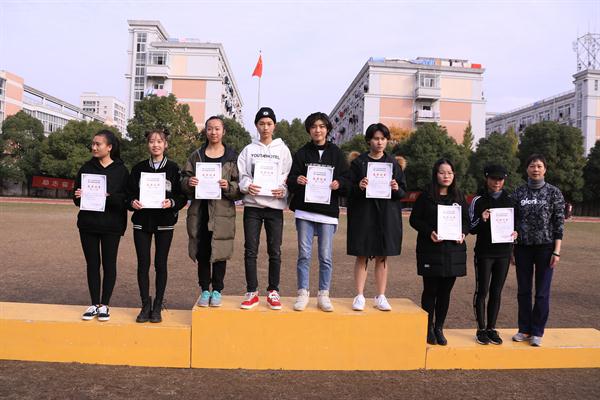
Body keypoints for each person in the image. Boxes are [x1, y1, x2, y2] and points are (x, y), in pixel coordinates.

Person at [286, 112, 350, 312]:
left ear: (327, 129)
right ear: (309, 130)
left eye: (322, 126)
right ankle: (302, 293)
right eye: (314, 126)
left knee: (325, 256)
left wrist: (339, 183)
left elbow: (347, 180)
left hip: (327, 213)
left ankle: (324, 294)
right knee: (304, 255)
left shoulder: (337, 153)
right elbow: (290, 179)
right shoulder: (302, 153)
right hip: (305, 212)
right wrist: (297, 180)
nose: (318, 130)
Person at [127, 128, 187, 323]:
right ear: (148, 144)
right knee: (143, 264)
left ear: (165, 144)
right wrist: (132, 202)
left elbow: (182, 196)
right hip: (142, 222)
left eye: (159, 141)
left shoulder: (173, 168)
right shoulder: (138, 168)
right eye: (152, 141)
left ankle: (158, 305)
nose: (155, 145)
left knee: (161, 264)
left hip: (164, 222)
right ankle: (145, 305)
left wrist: (172, 203)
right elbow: (128, 194)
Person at [181, 116, 241, 308]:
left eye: (217, 128)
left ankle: (217, 290)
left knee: (220, 251)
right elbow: (184, 179)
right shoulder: (196, 156)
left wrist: (228, 186)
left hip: (222, 213)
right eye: (209, 128)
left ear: (223, 131)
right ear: (205, 131)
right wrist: (189, 183)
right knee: (203, 252)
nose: (213, 132)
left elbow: (240, 186)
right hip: (200, 212)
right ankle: (204, 289)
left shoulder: (232, 157)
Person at [347, 123, 406, 312]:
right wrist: (359, 187)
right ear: (369, 141)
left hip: (386, 216)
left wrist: (396, 188)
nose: (379, 142)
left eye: (383, 138)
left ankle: (381, 296)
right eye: (376, 138)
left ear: (387, 141)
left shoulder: (393, 164)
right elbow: (348, 189)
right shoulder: (358, 163)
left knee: (382, 255)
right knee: (362, 254)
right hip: (364, 215)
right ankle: (359, 295)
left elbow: (403, 192)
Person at [237, 107, 292, 310]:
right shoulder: (248, 150)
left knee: (274, 250)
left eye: (269, 124)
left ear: (274, 126)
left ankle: (273, 291)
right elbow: (242, 175)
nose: (265, 127)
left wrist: (283, 190)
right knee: (250, 250)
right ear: (256, 125)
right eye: (261, 123)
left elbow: (287, 176)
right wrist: (246, 186)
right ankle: (252, 291)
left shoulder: (283, 150)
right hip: (253, 206)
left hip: (274, 208)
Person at [409, 158, 469, 345]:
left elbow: (466, 221)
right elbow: (414, 219)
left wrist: (463, 232)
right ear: (436, 174)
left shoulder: (459, 196)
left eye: (449, 173)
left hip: (453, 251)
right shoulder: (426, 196)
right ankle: (427, 328)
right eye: (442, 172)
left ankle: (439, 328)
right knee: (430, 290)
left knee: (445, 292)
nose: (446, 176)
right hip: (431, 250)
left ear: (454, 175)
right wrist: (429, 232)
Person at [73, 130, 128, 322]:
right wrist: (78, 196)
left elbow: (126, 199)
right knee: (92, 264)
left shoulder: (121, 170)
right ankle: (94, 304)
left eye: (98, 144)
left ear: (109, 147)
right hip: (88, 224)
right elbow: (76, 197)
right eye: (93, 144)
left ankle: (105, 304)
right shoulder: (86, 168)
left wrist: (108, 198)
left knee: (109, 264)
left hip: (112, 225)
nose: (94, 147)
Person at [511, 154, 564, 347]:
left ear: (545, 169)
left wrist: (556, 251)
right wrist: (512, 249)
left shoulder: (554, 193)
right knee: (523, 291)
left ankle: (537, 331)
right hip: (522, 248)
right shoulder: (518, 193)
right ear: (527, 169)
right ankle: (524, 329)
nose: (536, 169)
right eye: (532, 166)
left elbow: (559, 224)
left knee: (542, 292)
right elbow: (511, 222)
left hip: (546, 248)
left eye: (539, 166)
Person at [468, 164, 517, 345]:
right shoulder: (478, 200)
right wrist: (482, 219)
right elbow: (471, 228)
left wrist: (516, 233)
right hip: (484, 253)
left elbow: (515, 225)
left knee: (496, 292)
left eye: (500, 179)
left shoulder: (510, 200)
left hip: (503, 253)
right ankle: (481, 329)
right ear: (486, 178)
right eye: (493, 178)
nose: (497, 182)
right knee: (482, 291)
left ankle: (491, 328)